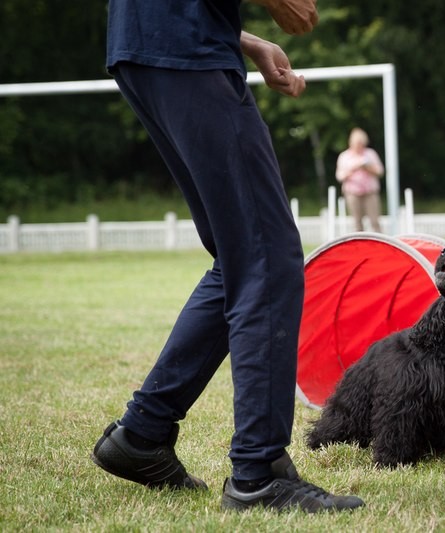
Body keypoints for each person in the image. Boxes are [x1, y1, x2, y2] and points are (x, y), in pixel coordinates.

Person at [91, 0, 364, 513]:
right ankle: (258, 474)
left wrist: (249, 40)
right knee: (267, 258)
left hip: (150, 44)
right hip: (184, 50)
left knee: (241, 257)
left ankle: (143, 432)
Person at [335, 127, 384, 232]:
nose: (359, 146)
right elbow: (339, 175)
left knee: (375, 221)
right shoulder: (345, 156)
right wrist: (353, 169)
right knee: (357, 222)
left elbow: (380, 171)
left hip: (370, 192)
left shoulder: (370, 154)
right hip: (353, 193)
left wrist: (367, 168)